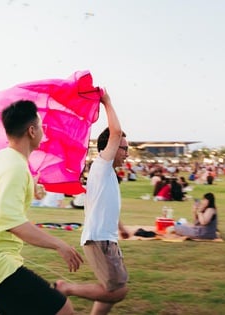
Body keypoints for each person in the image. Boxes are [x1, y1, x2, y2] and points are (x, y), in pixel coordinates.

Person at [0, 100, 83, 315]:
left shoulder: (2, 157)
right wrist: (60, 245)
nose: (43, 132)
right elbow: (11, 222)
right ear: (31, 131)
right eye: (40, 127)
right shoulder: (15, 167)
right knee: (63, 309)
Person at [54, 90, 130, 315]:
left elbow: (104, 206)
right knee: (118, 291)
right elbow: (115, 132)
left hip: (106, 238)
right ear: (112, 147)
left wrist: (121, 227)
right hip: (100, 239)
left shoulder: (107, 174)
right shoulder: (101, 165)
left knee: (112, 288)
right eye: (124, 148)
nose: (127, 153)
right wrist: (107, 101)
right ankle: (65, 288)